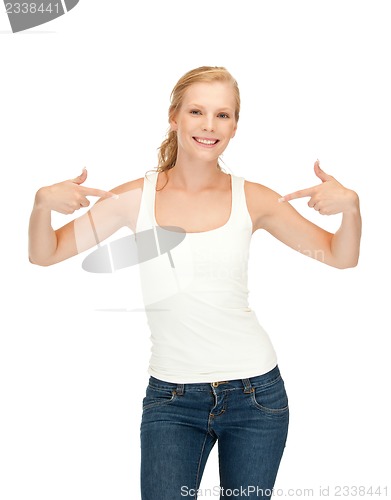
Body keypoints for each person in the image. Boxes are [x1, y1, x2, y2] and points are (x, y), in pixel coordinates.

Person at [28, 66, 362, 499]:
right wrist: (41, 206)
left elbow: (341, 256)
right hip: (172, 398)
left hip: (256, 396)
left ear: (235, 126)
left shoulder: (254, 198)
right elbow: (45, 253)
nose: (209, 125)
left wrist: (351, 209)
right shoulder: (135, 198)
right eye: (197, 112)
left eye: (223, 115)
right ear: (174, 117)